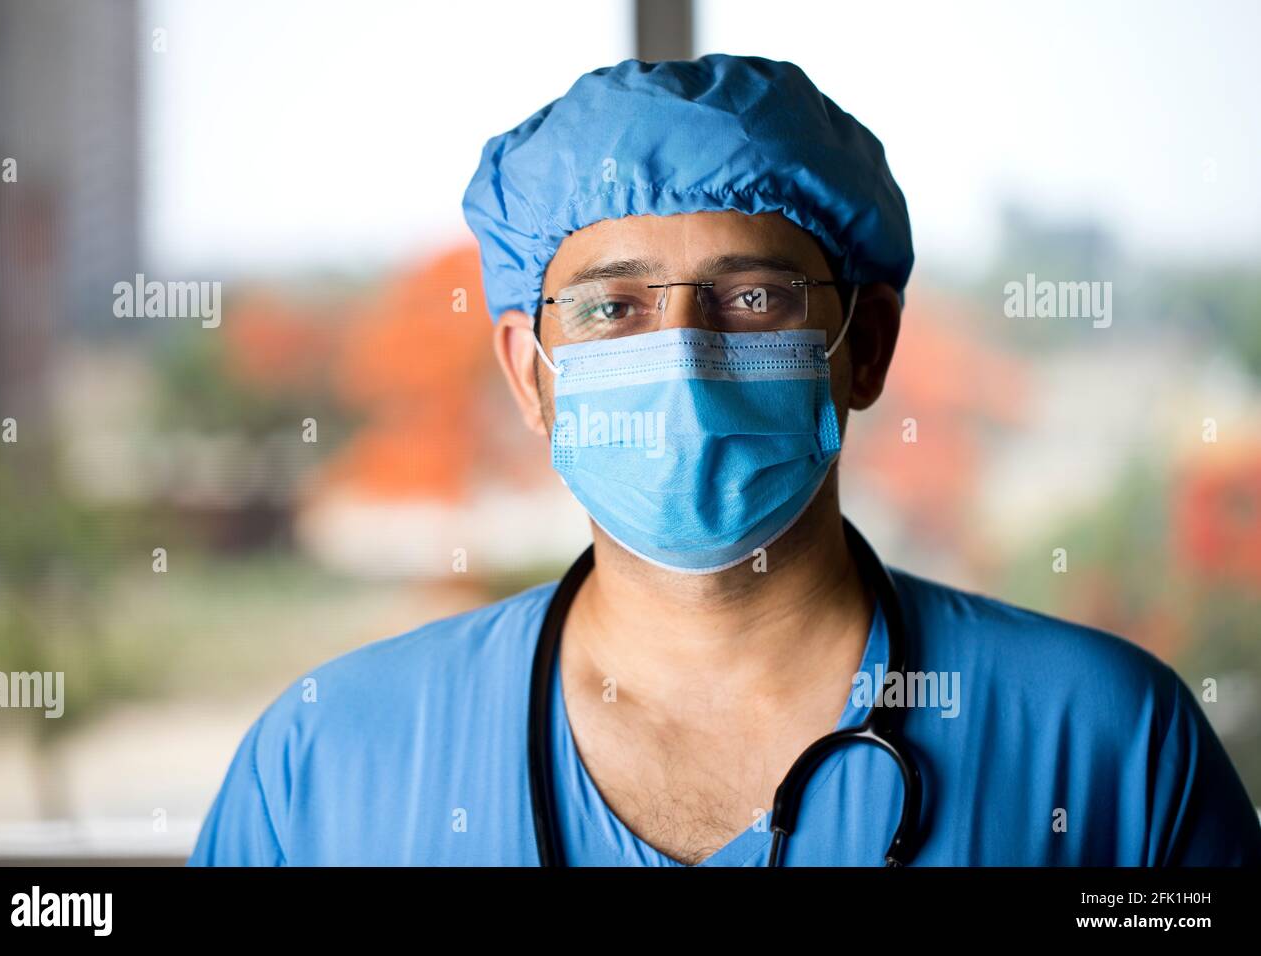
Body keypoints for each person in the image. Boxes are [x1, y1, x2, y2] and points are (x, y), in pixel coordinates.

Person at [188, 53, 1261, 866]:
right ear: (531, 373)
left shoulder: (1110, 745)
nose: (685, 359)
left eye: (752, 298)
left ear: (868, 346)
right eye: (613, 306)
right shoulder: (324, 768)